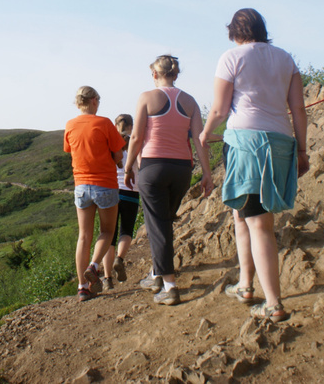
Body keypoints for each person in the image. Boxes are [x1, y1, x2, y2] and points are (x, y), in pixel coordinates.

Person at [199, 8, 309, 323]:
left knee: (258, 222)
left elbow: (220, 109)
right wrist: (302, 149)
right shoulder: (285, 58)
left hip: (245, 144)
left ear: (235, 32)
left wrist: (206, 133)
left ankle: (273, 303)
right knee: (242, 215)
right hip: (280, 143)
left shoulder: (231, 58)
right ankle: (246, 284)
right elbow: (298, 109)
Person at [124, 55, 215, 306]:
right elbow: (200, 139)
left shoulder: (146, 97)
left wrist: (129, 166)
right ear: (176, 74)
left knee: (158, 226)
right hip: (182, 170)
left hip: (153, 168)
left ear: (154, 74)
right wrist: (207, 173)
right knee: (163, 223)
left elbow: (136, 137)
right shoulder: (190, 101)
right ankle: (156, 275)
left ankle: (170, 286)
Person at [63, 86, 126, 301]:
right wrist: (117, 160)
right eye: (98, 99)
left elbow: (70, 150)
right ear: (93, 101)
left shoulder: (70, 125)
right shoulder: (105, 123)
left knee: (83, 236)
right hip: (105, 184)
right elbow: (118, 154)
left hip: (81, 185)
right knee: (107, 232)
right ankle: (94, 265)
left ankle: (82, 287)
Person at [100, 114, 136, 290]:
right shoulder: (136, 143)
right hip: (131, 191)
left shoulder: (109, 144)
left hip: (111, 191)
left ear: (115, 126)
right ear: (131, 126)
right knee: (126, 230)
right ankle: (120, 259)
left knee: (109, 236)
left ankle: (107, 279)